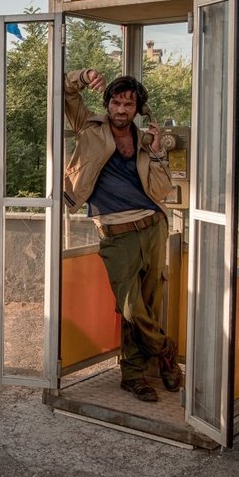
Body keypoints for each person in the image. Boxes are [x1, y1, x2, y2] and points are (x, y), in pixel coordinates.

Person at [63, 69, 183, 402]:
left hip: (153, 226)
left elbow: (162, 191)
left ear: (137, 109)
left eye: (128, 104)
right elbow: (63, 89)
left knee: (147, 304)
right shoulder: (89, 128)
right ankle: (166, 352)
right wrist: (84, 76)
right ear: (107, 104)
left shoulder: (146, 140)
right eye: (116, 102)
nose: (120, 109)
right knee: (131, 307)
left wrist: (158, 152)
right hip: (115, 233)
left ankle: (134, 377)